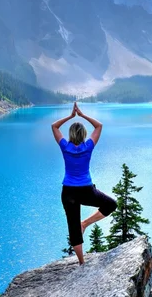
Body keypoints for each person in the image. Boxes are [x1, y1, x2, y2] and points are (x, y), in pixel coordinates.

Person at [51, 102, 117, 265]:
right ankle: (85, 224)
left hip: (68, 192)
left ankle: (82, 262)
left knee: (73, 228)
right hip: (87, 191)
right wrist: (81, 115)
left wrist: (71, 116)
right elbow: (99, 126)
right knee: (111, 204)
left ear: (71, 134)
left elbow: (54, 126)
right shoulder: (88, 147)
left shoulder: (65, 146)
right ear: (84, 134)